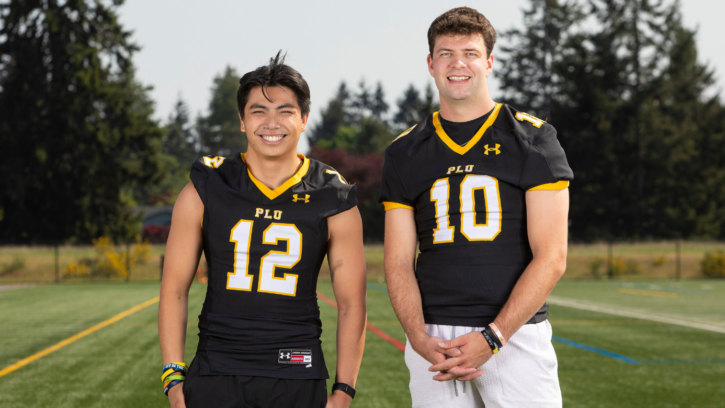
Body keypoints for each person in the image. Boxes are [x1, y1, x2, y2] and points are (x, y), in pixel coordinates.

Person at [379, 7, 573, 408]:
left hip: (514, 333)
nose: (457, 64)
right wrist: (417, 336)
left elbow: (552, 256)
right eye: (446, 53)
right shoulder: (404, 151)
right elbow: (397, 260)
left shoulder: (532, 138)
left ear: (488, 62)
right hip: (434, 338)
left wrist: (494, 336)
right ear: (430, 64)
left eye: (469, 52)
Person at [158, 52, 367, 408]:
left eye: (285, 111)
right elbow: (174, 289)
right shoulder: (207, 186)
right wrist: (173, 380)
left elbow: (351, 304)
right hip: (216, 372)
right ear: (242, 120)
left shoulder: (332, 194)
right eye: (258, 111)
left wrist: (344, 392)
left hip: (297, 372)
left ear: (303, 119)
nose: (272, 123)